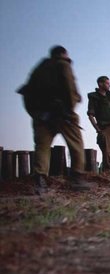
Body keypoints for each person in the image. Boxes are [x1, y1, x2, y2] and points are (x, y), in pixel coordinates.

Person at [17, 45, 91, 194]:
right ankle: (77, 178)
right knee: (76, 145)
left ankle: (40, 180)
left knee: (42, 148)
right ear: (63, 54)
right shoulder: (63, 65)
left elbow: (26, 92)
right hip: (62, 114)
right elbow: (70, 89)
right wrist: (69, 110)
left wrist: (36, 114)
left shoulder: (38, 70)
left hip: (42, 117)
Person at [87, 76, 110, 173]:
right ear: (100, 84)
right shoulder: (94, 97)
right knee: (107, 153)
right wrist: (98, 129)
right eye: (107, 83)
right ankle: (107, 175)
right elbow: (91, 115)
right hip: (105, 128)